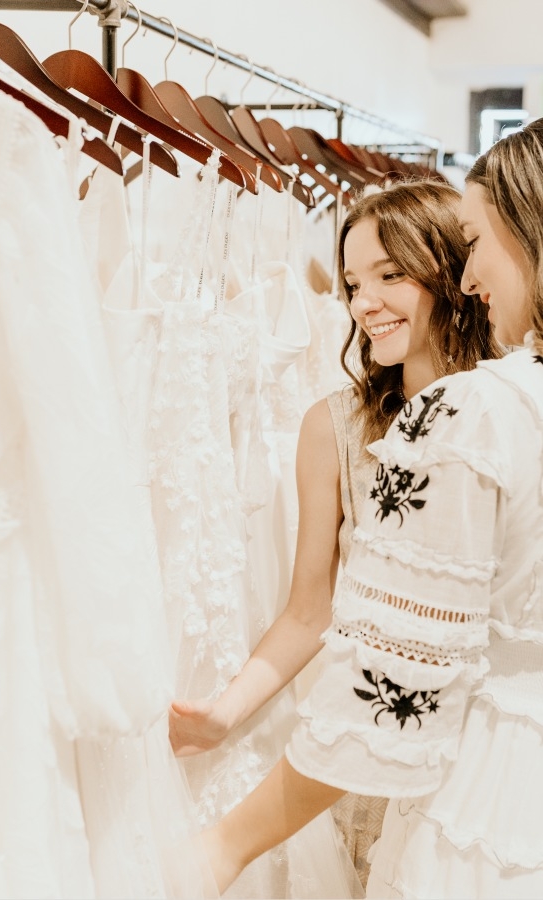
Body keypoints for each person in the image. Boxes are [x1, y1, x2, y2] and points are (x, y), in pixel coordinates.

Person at [193, 121, 543, 899]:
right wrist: (224, 714)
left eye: (390, 275)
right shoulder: (337, 427)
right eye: (352, 283)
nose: (362, 303)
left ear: (451, 271)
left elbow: (405, 665)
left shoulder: (485, 411)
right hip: (375, 754)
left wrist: (222, 849)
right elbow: (308, 610)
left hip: (463, 764)